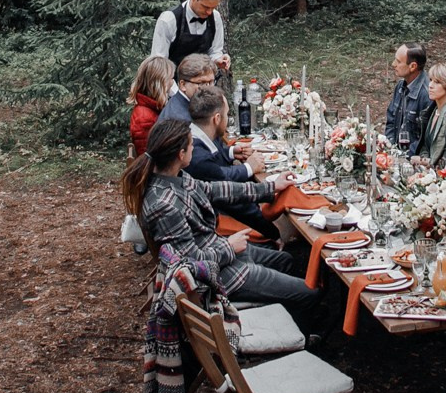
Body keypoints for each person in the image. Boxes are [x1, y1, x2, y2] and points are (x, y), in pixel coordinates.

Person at [123, 119, 321, 331]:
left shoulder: (174, 176)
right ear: (180, 154)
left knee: (286, 260)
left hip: (220, 252)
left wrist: (270, 187)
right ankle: (298, 336)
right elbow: (188, 265)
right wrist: (229, 246)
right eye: (191, 145)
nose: (194, 149)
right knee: (310, 293)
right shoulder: (164, 205)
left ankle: (283, 314)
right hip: (219, 275)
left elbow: (215, 190)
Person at [187, 86, 277, 240]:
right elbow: (225, 182)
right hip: (219, 225)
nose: (228, 120)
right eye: (227, 115)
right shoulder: (197, 155)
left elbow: (214, 151)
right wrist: (249, 167)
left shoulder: (196, 133)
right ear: (216, 119)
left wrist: (231, 151)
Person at [150, 0, 231, 72]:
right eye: (205, 7)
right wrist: (176, 87)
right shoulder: (168, 20)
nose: (209, 12)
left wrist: (218, 60)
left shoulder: (215, 18)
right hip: (172, 83)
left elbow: (214, 52)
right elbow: (159, 63)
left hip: (204, 82)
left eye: (213, 8)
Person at [385, 42, 431, 148]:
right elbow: (391, 120)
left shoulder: (427, 94)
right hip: (395, 154)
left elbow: (424, 139)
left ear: (412, 66)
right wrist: (390, 147)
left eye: (398, 61)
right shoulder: (400, 86)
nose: (393, 64)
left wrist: (405, 157)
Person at [128, 56, 175, 157]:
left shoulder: (153, 108)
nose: (172, 83)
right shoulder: (144, 117)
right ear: (161, 83)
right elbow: (148, 157)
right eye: (171, 78)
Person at [415, 61, 446, 167]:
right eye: (430, 80)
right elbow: (425, 145)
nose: (430, 85)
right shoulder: (430, 111)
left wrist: (424, 162)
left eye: (437, 82)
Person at [157, 53, 218, 126]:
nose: (209, 88)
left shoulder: (191, 105)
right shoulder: (179, 120)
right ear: (183, 85)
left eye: (211, 82)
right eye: (202, 83)